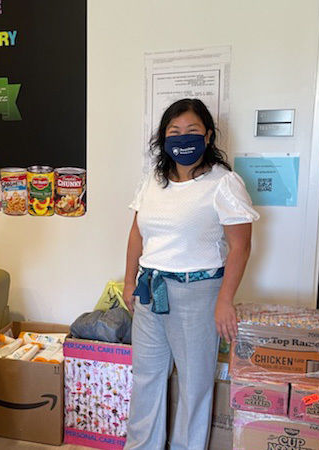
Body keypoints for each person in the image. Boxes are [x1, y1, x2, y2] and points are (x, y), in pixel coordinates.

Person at [123, 99, 259, 450]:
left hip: (198, 293)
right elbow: (137, 233)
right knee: (146, 378)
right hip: (150, 289)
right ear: (163, 137)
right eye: (174, 132)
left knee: (195, 384)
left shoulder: (224, 183)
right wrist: (128, 282)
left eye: (192, 131)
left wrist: (225, 300)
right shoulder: (152, 181)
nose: (183, 138)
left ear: (209, 135)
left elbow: (240, 247)